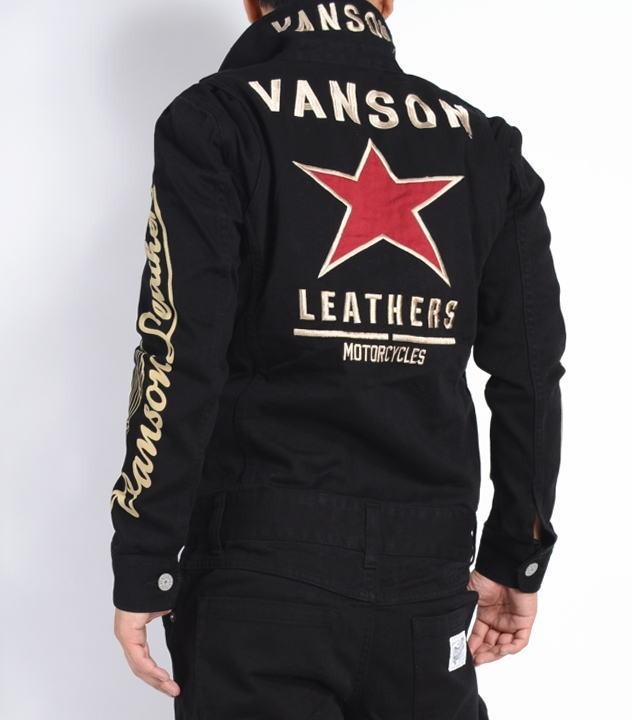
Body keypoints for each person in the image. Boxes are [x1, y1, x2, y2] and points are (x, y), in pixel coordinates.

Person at [110, 0, 566, 717]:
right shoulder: (482, 144)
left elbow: (180, 346)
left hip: (260, 569)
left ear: (255, 3)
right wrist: (517, 554)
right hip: (428, 578)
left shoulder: (219, 118)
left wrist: (146, 556)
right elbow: (531, 373)